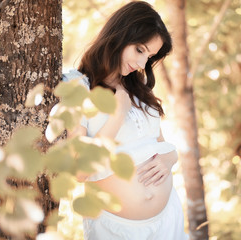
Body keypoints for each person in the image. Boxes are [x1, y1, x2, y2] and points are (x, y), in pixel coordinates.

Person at [62, 1, 189, 240]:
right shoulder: (77, 87)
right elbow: (79, 172)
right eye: (139, 50)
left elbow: (161, 143)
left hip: (168, 218)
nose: (142, 65)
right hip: (117, 229)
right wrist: (118, 114)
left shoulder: (137, 86)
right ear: (119, 35)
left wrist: (169, 159)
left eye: (149, 56)